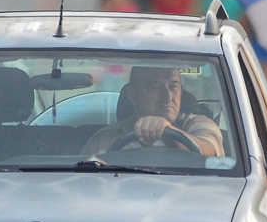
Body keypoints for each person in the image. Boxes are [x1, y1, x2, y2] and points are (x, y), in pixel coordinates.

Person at [84, 66, 222, 157]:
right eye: (155, 87)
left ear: (181, 90)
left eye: (173, 87)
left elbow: (210, 154)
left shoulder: (199, 125)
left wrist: (170, 133)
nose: (167, 97)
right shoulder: (103, 141)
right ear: (133, 96)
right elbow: (86, 181)